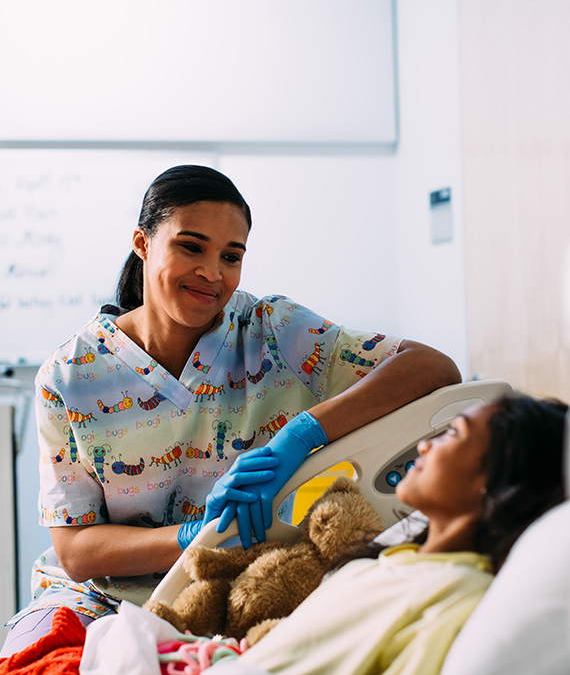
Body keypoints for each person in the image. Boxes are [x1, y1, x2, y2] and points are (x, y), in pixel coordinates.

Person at [0, 165, 460, 657]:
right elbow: (76, 551)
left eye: (231, 255)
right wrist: (197, 535)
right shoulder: (70, 376)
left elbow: (432, 367)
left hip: (235, 585)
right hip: (103, 599)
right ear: (142, 243)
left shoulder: (274, 332)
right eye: (191, 247)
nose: (213, 273)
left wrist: (302, 434)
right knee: (39, 659)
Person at [208, 393, 568, 675]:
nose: (426, 445)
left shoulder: (452, 593)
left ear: (497, 480)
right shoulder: (386, 560)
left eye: (455, 433)